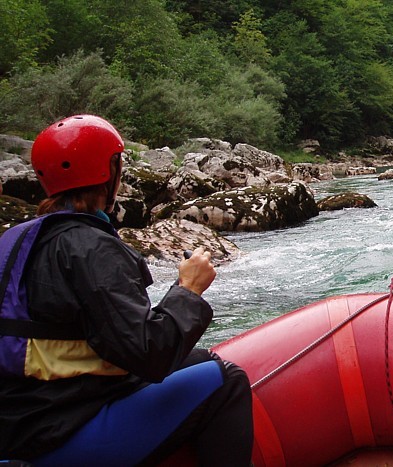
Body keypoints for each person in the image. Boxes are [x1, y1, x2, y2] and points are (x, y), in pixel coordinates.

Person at [0, 115, 253, 466]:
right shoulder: (90, 248)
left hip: (25, 416)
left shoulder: (17, 240)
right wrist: (188, 289)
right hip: (55, 435)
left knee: (202, 361)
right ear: (109, 173)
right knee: (227, 381)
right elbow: (150, 355)